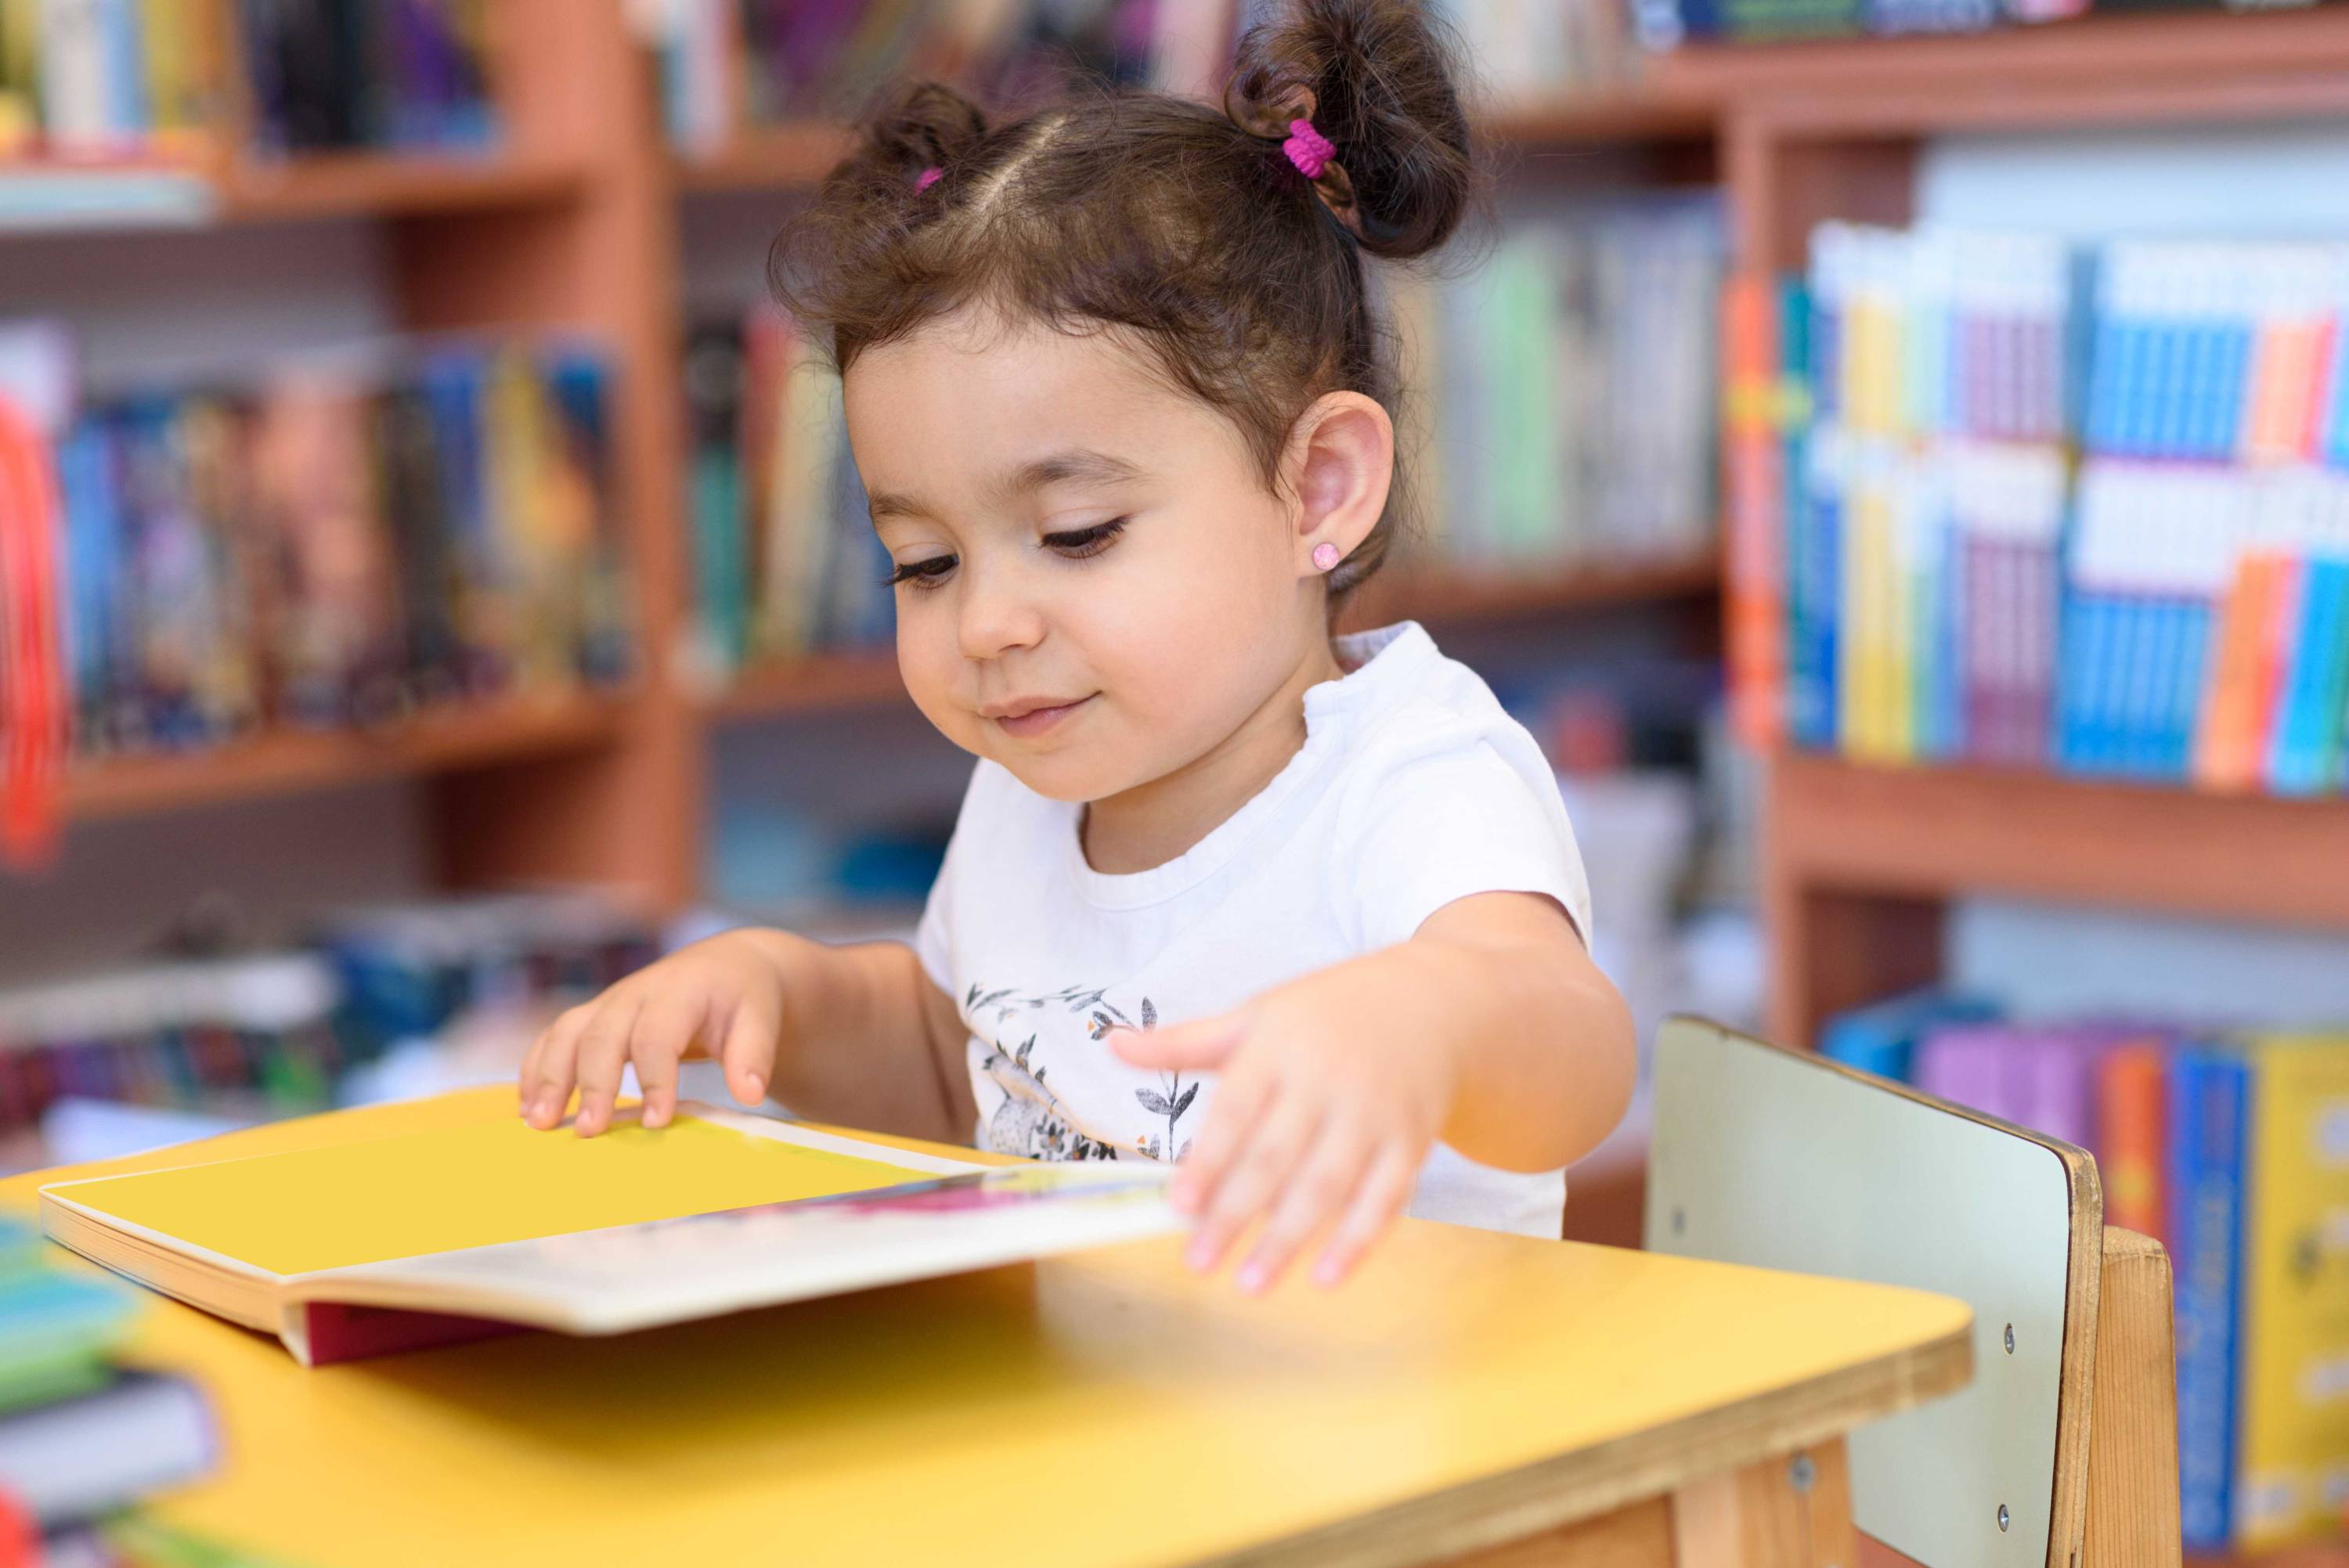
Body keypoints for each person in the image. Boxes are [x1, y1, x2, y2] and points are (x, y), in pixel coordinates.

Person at [519, 0, 1634, 1294]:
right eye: (925, 563)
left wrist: (1425, 1022)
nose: (989, 623)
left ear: (1319, 487)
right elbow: (957, 1068)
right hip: (1108, 1440)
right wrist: (782, 991)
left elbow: (1572, 1049)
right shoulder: (1035, 787)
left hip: (1409, 1443)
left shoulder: (1409, 775)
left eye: (1079, 532)